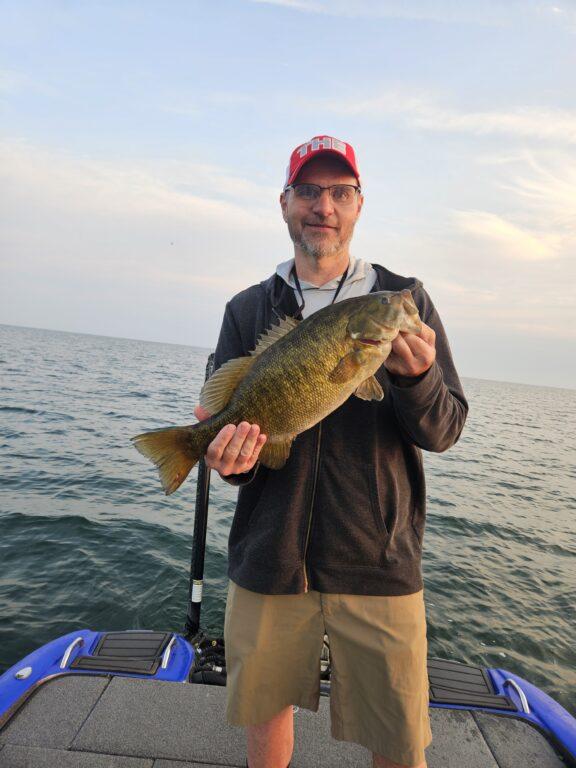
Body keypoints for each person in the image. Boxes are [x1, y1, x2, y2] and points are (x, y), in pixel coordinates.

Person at [194, 135, 468, 768]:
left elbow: (446, 428)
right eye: (309, 191)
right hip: (269, 558)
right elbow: (244, 440)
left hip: (379, 562)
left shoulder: (405, 298)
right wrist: (227, 458)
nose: (324, 205)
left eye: (339, 192)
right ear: (285, 203)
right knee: (264, 730)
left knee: (399, 743)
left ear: (359, 204)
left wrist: (416, 379)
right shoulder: (246, 308)